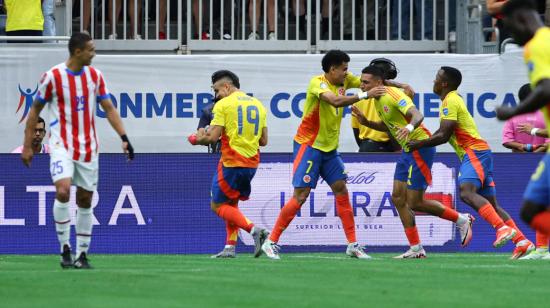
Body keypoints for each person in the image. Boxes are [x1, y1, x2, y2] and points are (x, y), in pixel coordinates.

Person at [20, 32, 135, 269]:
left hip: (88, 148)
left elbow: (109, 108)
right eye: (91, 49)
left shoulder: (95, 76)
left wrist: (124, 137)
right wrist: (27, 144)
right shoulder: (53, 77)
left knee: (85, 198)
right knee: (63, 191)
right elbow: (34, 110)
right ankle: (64, 248)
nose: (94, 53)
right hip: (61, 145)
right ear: (77, 51)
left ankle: (82, 254)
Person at [261, 50, 380, 260]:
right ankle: (271, 242)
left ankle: (353, 244)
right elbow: (335, 101)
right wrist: (364, 95)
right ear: (332, 69)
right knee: (301, 195)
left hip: (330, 150)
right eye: (344, 69)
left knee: (341, 189)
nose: (347, 73)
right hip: (309, 146)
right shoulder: (318, 83)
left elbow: (369, 82)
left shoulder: (344, 79)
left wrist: (399, 86)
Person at [408, 67, 533, 259]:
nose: (433, 81)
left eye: (436, 78)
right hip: (479, 152)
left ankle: (501, 228)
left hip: (474, 151)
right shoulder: (452, 99)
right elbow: (443, 134)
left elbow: (443, 135)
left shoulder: (450, 100)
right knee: (493, 205)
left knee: (467, 192)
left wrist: (418, 144)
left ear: (444, 84)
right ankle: (522, 241)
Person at [352, 66, 474, 258]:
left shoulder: (392, 95)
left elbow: (418, 115)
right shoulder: (376, 99)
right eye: (361, 81)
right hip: (407, 150)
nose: (362, 85)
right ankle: (416, 248)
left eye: (366, 82)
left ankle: (461, 219)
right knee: (398, 198)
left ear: (378, 82)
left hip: (420, 147)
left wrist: (409, 128)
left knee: (415, 202)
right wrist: (366, 122)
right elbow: (388, 125)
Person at [190, 70, 269, 259]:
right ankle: (230, 247)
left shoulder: (224, 105)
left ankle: (254, 230)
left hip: (231, 162)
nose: (216, 95)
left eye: (217, 90)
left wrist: (195, 139)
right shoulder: (258, 105)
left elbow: (212, 138)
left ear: (226, 86)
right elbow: (264, 141)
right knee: (231, 204)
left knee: (217, 206)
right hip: (251, 164)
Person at [495, 0, 550, 251]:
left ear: (520, 18)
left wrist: (513, 111)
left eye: (508, 27)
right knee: (531, 209)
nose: (511, 36)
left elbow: (545, 89)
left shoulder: (539, 44)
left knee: (531, 209)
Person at [502, 83, 549, 152]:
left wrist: (522, 147)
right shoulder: (545, 116)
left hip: (518, 159)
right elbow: (548, 143)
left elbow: (507, 141)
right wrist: (535, 153)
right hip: (542, 158)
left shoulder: (512, 116)